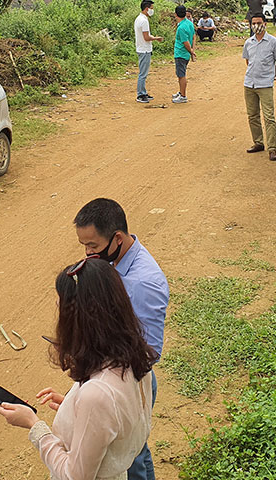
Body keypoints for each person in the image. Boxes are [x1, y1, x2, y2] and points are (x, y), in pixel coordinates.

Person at [0, 257, 156, 480]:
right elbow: (119, 420)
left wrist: (35, 426)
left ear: (77, 318)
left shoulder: (97, 395)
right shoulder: (137, 357)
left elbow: (75, 476)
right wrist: (73, 408)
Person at [72, 198, 169, 480]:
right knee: (129, 450)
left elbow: (149, 352)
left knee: (130, 456)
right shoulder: (113, 259)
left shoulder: (144, 283)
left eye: (93, 246)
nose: (88, 254)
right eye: (84, 246)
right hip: (107, 375)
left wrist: (107, 387)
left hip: (130, 381)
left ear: (116, 238)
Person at [242, 13, 276, 161]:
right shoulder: (248, 42)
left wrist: (271, 76)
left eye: (259, 23)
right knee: (252, 115)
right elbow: (248, 61)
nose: (256, 26)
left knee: (269, 117)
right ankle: (258, 142)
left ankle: (272, 148)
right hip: (249, 84)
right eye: (253, 23)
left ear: (265, 24)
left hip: (265, 85)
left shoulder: (273, 42)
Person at [134, 0, 163, 104]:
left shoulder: (139, 19)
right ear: (147, 9)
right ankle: (140, 94)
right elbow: (146, 37)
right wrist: (156, 38)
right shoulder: (144, 21)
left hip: (141, 48)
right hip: (144, 49)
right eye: (152, 8)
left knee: (143, 72)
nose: (152, 10)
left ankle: (143, 92)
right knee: (143, 73)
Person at [172, 5, 196, 104]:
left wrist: (191, 51)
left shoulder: (181, 28)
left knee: (181, 75)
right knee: (180, 74)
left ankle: (183, 96)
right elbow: (194, 36)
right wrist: (192, 50)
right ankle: (181, 92)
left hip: (181, 54)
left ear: (175, 14)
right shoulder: (189, 23)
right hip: (185, 54)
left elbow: (185, 42)